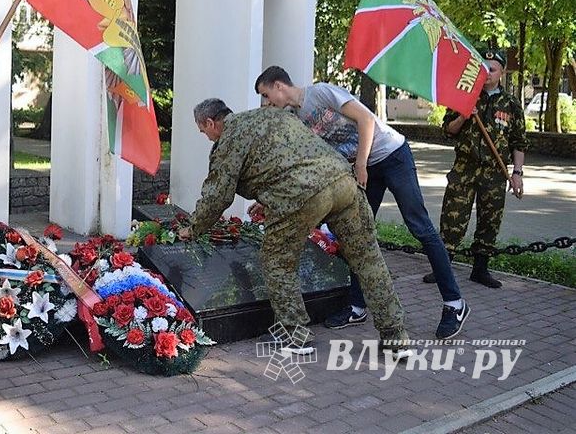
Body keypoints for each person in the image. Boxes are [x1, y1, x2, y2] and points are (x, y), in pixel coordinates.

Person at [177, 99, 412, 358]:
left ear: (211, 123)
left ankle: (296, 336)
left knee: (277, 262)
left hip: (301, 196)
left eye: (204, 131)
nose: (207, 137)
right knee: (368, 260)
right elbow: (290, 160)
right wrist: (267, 198)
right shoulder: (271, 116)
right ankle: (396, 337)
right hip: (343, 182)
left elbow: (218, 195)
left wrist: (194, 227)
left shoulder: (230, 138)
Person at [254, 66, 469, 340]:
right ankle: (357, 306)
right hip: (365, 169)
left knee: (420, 227)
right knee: (356, 235)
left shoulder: (321, 93)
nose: (267, 102)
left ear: (278, 86)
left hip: (392, 156)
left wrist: (361, 164)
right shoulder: (296, 118)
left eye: (266, 95)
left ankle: (454, 303)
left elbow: (366, 119)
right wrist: (269, 200)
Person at [428, 50, 526, 288]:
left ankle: (480, 270)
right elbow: (448, 130)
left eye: (492, 69)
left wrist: (517, 173)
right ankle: (443, 268)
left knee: (489, 222)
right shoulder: (465, 96)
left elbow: (519, 143)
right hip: (464, 169)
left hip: (494, 174)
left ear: (502, 72)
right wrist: (463, 116)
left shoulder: (511, 105)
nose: (487, 74)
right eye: (483, 69)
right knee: (452, 220)